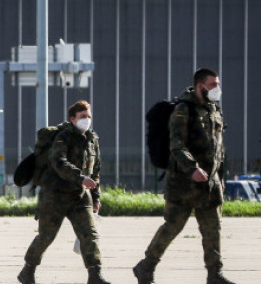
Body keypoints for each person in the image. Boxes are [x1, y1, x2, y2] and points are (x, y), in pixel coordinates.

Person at [133, 68, 237, 284]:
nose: (217, 89)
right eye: (213, 85)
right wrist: (192, 168)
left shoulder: (213, 109)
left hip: (210, 184)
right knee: (172, 227)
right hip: (183, 184)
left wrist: (221, 178)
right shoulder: (183, 109)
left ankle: (214, 274)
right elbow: (176, 146)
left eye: (218, 84)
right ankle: (146, 266)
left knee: (212, 229)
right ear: (200, 86)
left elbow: (219, 149)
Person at [17, 100, 111, 284]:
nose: (87, 120)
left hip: (80, 196)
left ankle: (95, 274)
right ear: (72, 118)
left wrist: (96, 195)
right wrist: (80, 177)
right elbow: (58, 162)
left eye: (89, 116)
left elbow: (96, 170)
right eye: (82, 117)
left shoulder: (93, 139)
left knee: (89, 234)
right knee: (46, 236)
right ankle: (27, 271)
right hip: (54, 195)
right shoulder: (63, 137)